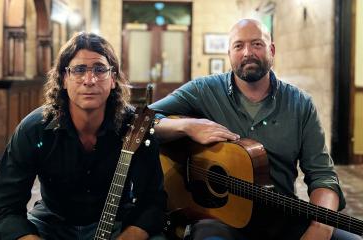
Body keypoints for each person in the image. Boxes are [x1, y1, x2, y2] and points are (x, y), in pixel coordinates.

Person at [150, 19, 362, 240]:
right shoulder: (203, 91)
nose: (247, 52)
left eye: (257, 44)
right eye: (238, 46)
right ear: (229, 53)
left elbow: (323, 175)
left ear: (271, 49)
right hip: (219, 218)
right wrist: (186, 126)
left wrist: (321, 229)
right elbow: (142, 121)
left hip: (281, 215)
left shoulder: (300, 104)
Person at [0, 32, 167, 240]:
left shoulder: (135, 126)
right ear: (64, 79)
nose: (89, 80)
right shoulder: (33, 129)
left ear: (113, 80)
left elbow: (154, 201)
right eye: (79, 70)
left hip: (118, 222)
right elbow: (2, 210)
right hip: (52, 222)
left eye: (100, 69)